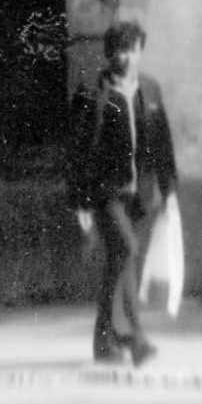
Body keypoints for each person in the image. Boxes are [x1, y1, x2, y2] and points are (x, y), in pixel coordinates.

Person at [67, 19, 179, 367]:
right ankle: (134, 338)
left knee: (122, 263)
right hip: (106, 193)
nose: (126, 58)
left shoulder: (151, 90)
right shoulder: (92, 93)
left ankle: (104, 343)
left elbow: (163, 144)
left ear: (140, 51)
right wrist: (81, 201)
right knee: (126, 250)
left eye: (132, 50)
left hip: (141, 195)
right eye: (119, 51)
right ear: (109, 54)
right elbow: (76, 151)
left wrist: (170, 191)